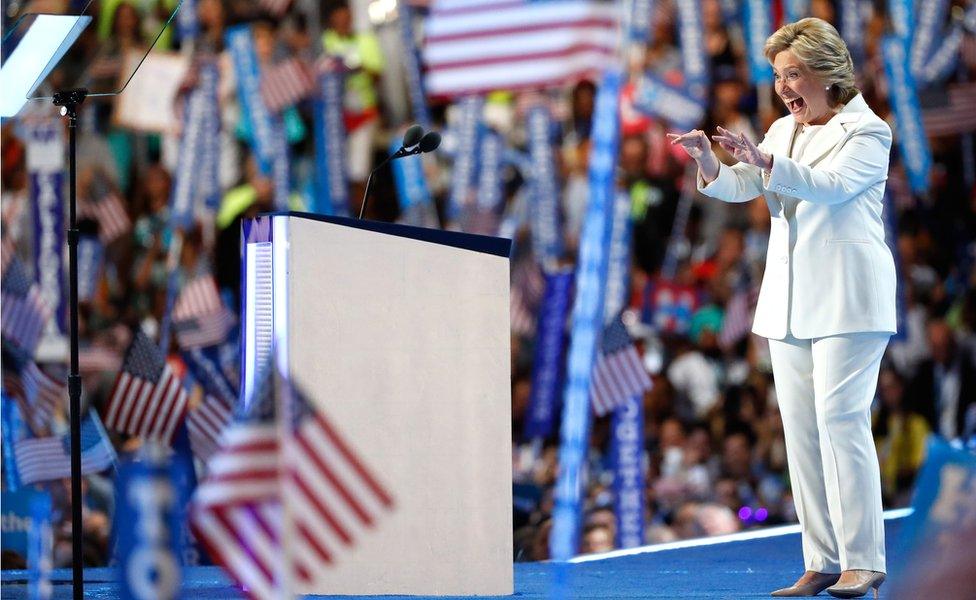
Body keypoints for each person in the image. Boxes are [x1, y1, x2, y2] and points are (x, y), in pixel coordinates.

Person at [668, 18, 894, 599]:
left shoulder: (868, 132)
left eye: (794, 74)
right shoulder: (781, 130)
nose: (784, 87)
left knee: (841, 422)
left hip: (849, 298)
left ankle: (864, 561)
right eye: (777, 76)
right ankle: (821, 560)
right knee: (801, 432)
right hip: (791, 301)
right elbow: (749, 184)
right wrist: (711, 165)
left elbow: (832, 185)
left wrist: (767, 165)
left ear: (829, 73)